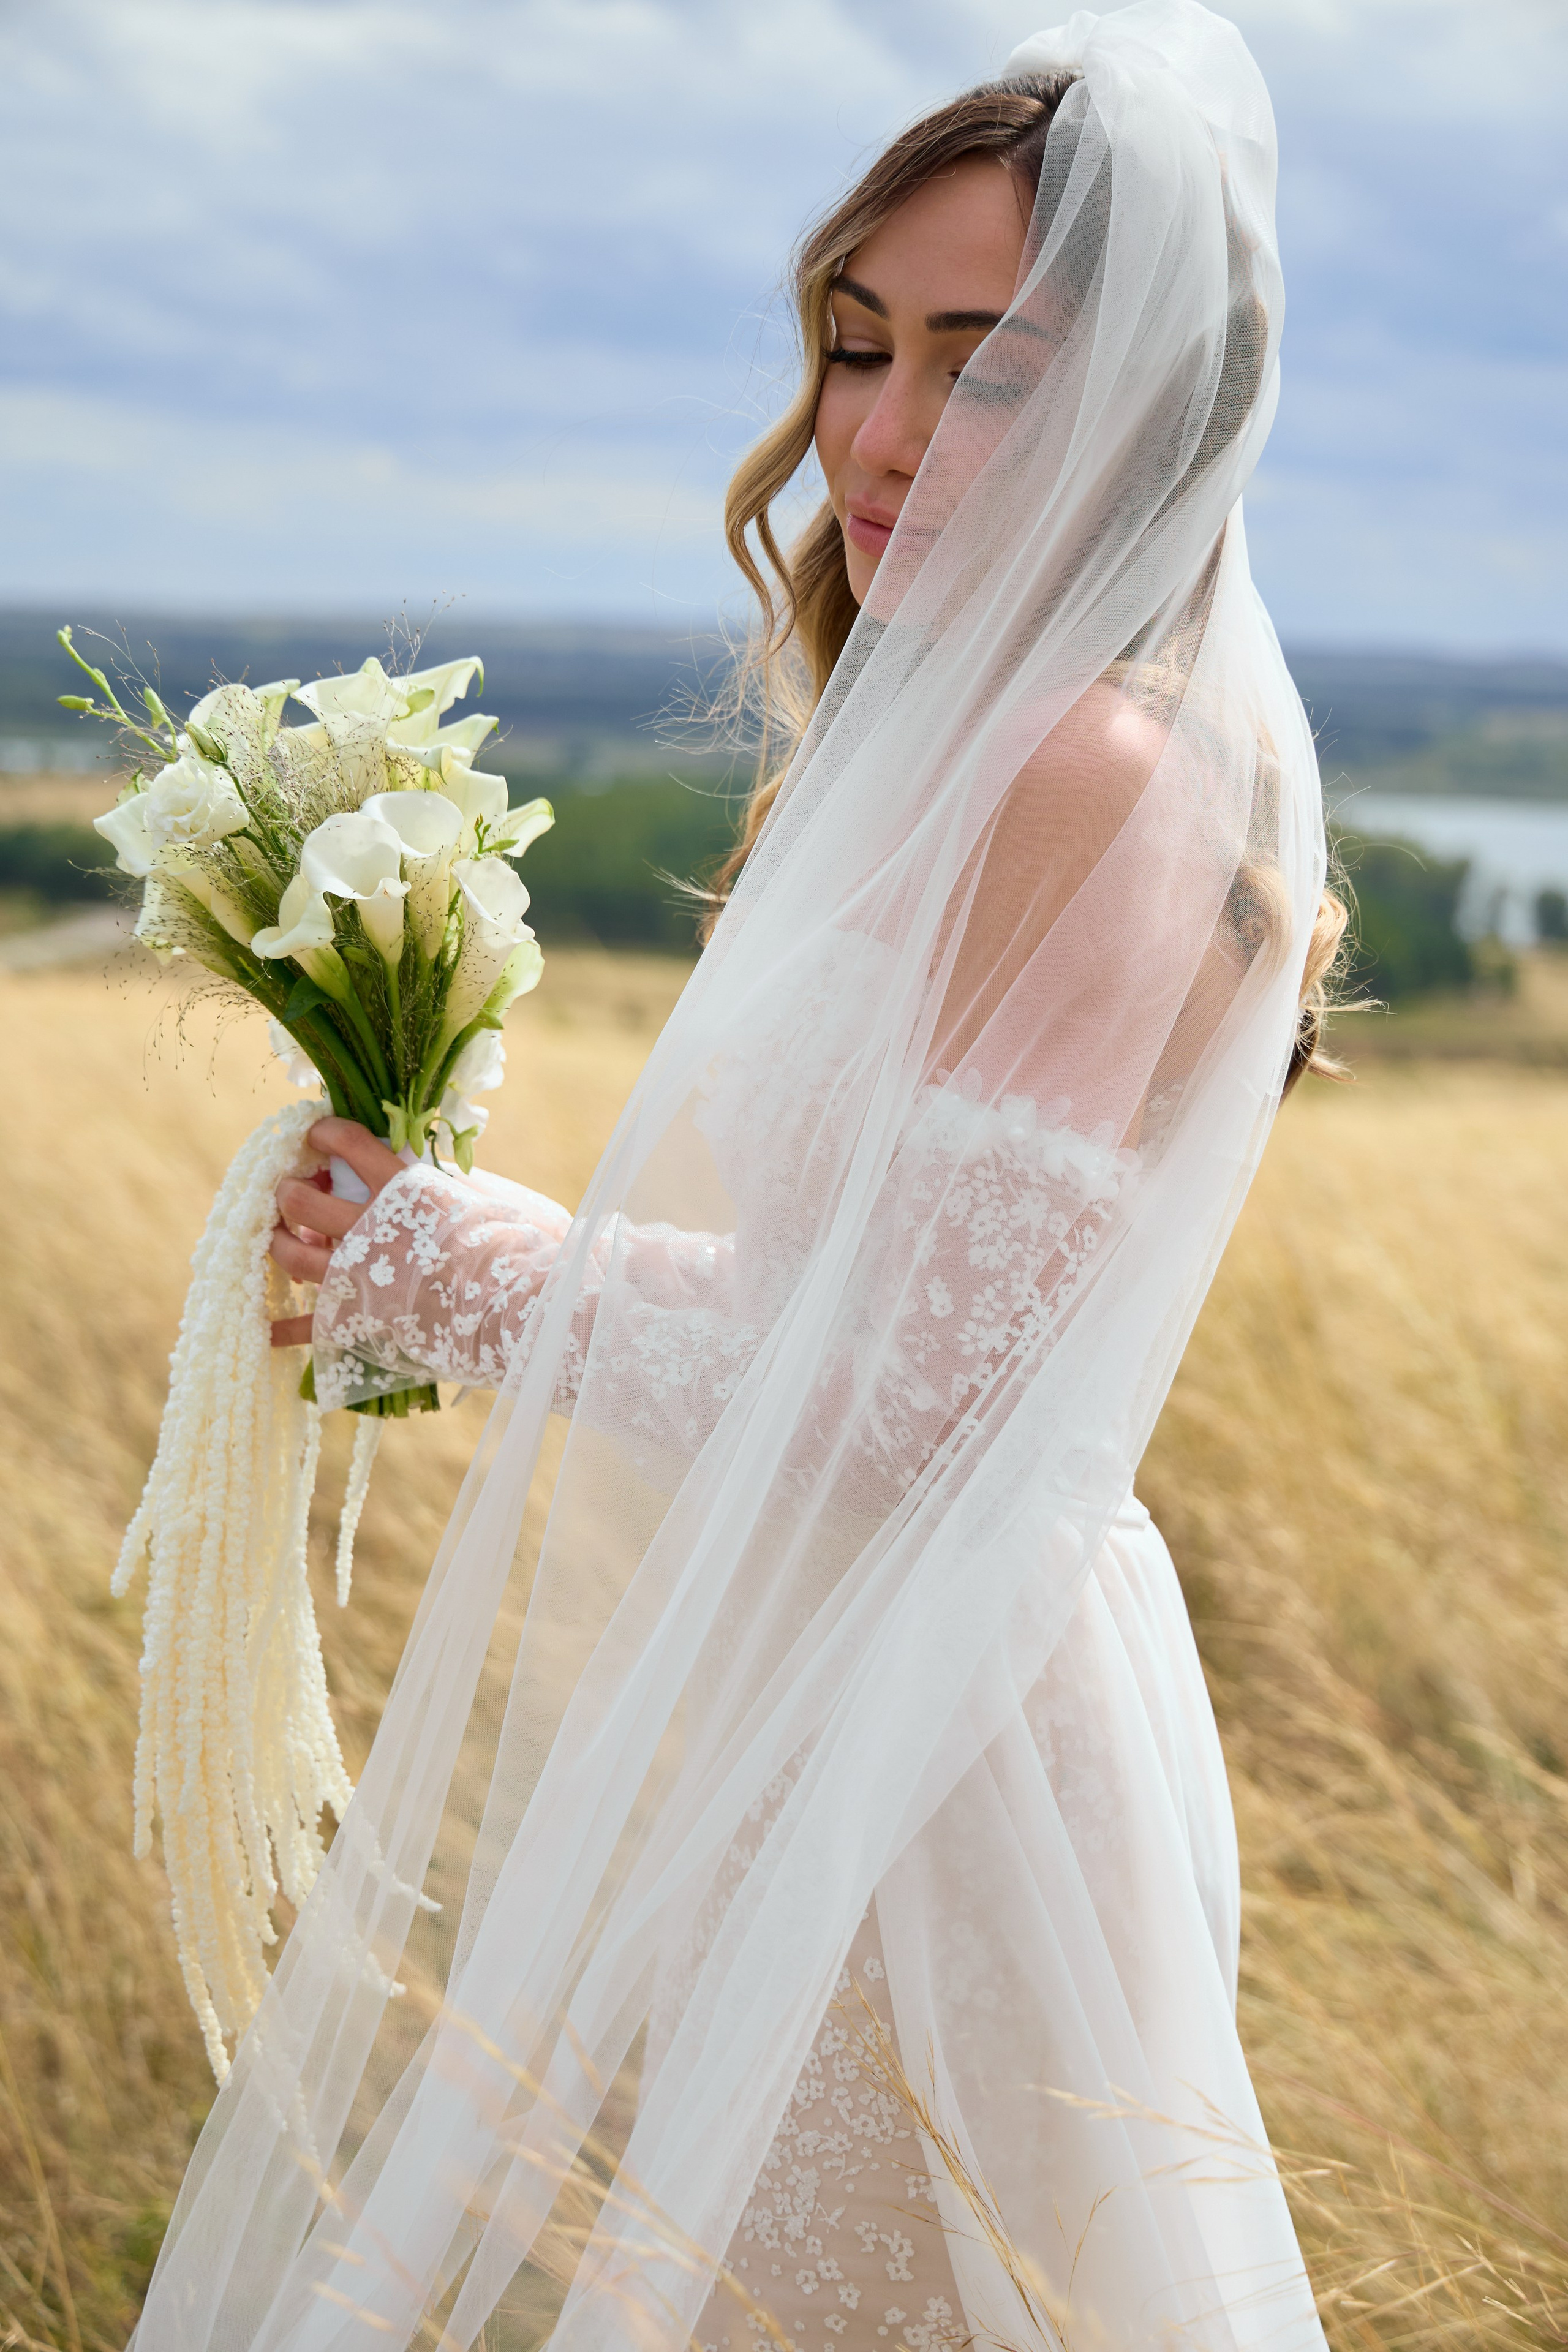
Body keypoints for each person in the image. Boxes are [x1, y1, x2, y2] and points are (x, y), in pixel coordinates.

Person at [139, 7, 1343, 2346]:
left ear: (1153, 408)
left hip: (953, 1747)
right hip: (841, 1693)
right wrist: (436, 1255)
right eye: (857, 345)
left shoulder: (1086, 771)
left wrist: (468, 1272)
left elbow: (905, 1394)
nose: (877, 438)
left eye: (986, 370)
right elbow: (855, 1296)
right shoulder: (978, 739)